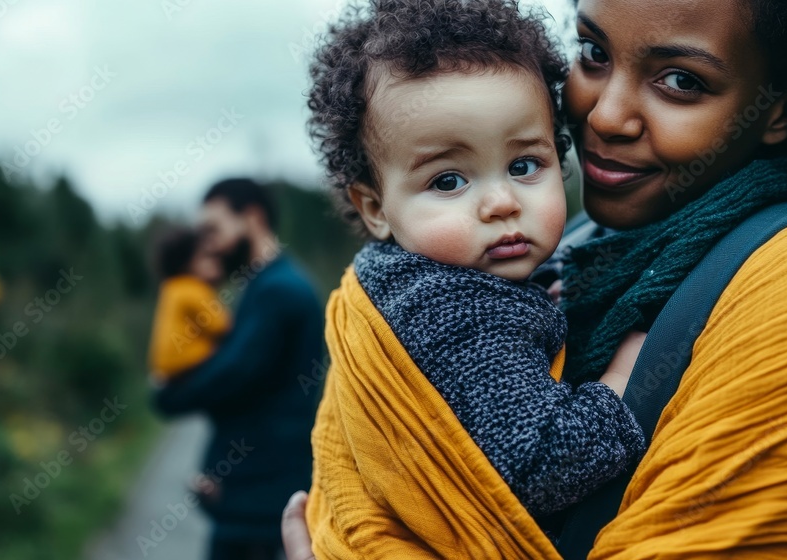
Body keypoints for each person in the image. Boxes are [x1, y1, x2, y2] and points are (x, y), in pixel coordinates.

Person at [287, 0, 787, 556]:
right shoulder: (576, 251)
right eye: (593, 54)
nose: (604, 116)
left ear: (784, 109)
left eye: (681, 82)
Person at [304, 1, 647, 554]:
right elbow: (542, 466)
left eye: (523, 165)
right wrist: (627, 379)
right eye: (447, 181)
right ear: (375, 208)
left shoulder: (407, 280)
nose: (500, 203)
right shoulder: (456, 311)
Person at [153, 178, 325, 560]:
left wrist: (165, 395)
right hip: (252, 493)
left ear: (251, 217)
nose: (209, 244)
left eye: (214, 230)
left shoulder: (278, 291)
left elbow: (230, 376)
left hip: (260, 499)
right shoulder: (265, 285)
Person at [147, 227, 231, 381]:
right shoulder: (192, 288)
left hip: (168, 372)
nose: (216, 261)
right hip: (189, 368)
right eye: (207, 256)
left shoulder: (171, 288)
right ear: (186, 263)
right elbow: (222, 326)